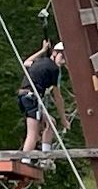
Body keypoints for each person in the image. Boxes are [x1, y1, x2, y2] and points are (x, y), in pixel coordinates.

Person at [16, 15, 68, 156]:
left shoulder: (39, 63)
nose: (63, 62)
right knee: (32, 134)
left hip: (25, 97)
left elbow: (26, 62)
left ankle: (45, 156)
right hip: (31, 98)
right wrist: (64, 119)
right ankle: (25, 161)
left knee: (50, 123)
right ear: (55, 54)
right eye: (62, 57)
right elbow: (58, 97)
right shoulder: (54, 70)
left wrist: (42, 50)